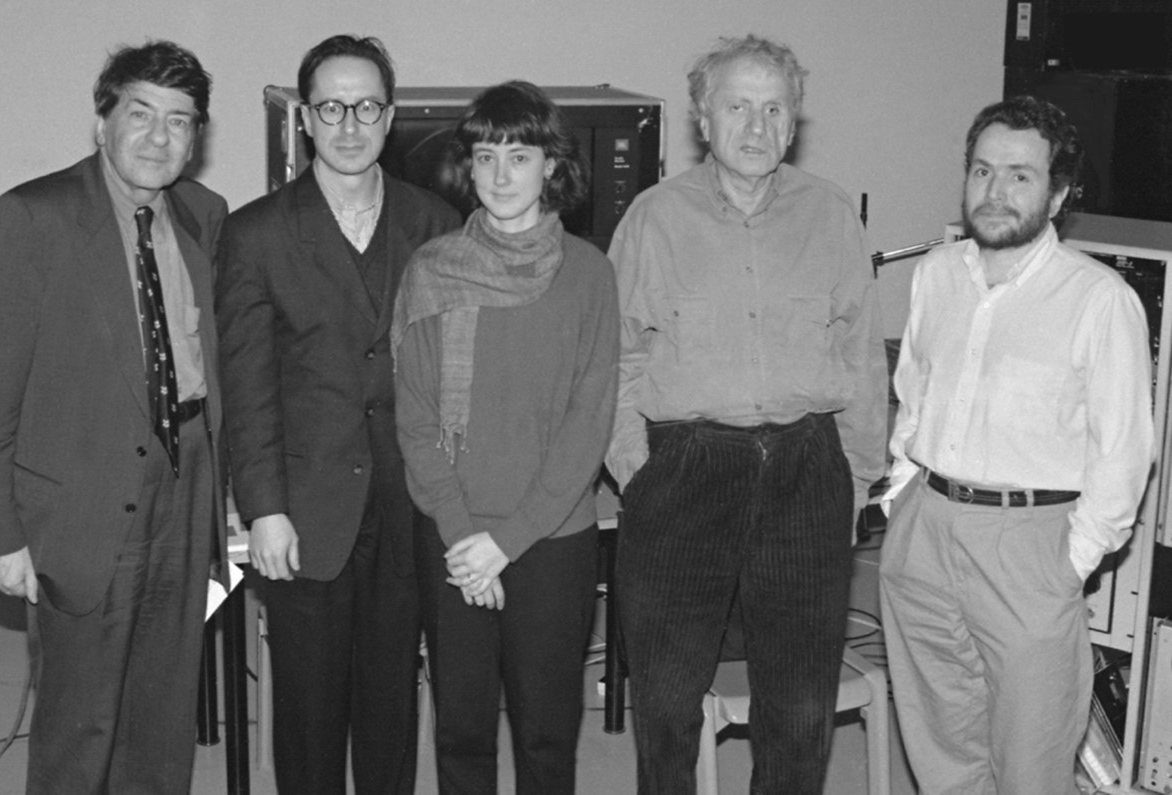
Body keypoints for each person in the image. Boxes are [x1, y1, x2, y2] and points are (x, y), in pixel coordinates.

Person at [604, 33, 888, 794]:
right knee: (664, 700)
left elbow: (861, 355)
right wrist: (641, 472)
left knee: (798, 710)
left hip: (806, 468)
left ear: (793, 121)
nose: (756, 127)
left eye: (774, 109)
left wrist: (857, 479)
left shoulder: (830, 216)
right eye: (738, 106)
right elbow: (615, 360)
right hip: (686, 469)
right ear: (704, 115)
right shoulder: (652, 219)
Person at [0, 41, 227, 794]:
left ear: (196, 137)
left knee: (164, 717)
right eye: (139, 113)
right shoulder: (34, 217)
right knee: (82, 727)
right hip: (80, 506)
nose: (158, 137)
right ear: (100, 120)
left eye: (180, 121)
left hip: (187, 482)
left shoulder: (206, 215)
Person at [879, 96, 1155, 794]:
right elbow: (914, 394)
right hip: (925, 535)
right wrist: (901, 496)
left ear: (1058, 193)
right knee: (940, 745)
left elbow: (1123, 453)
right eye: (981, 170)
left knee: (1031, 760)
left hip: (1032, 545)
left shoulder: (1099, 298)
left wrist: (1071, 561)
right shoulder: (937, 274)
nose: (994, 192)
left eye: (1019, 176)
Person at [215, 34, 460, 795]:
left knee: (392, 704)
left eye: (366, 106)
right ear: (305, 120)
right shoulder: (256, 232)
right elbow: (246, 382)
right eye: (331, 106)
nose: (349, 123)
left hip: (407, 502)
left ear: (390, 117)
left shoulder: (436, 222)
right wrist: (264, 508)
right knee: (310, 715)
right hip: (305, 510)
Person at [392, 79, 618, 795]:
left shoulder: (589, 274)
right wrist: (466, 539)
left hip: (550, 541)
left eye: (518, 156)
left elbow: (589, 426)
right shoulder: (432, 270)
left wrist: (506, 542)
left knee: (546, 735)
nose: (499, 174)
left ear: (552, 165)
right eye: (485, 155)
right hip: (454, 539)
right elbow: (417, 420)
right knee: (460, 730)